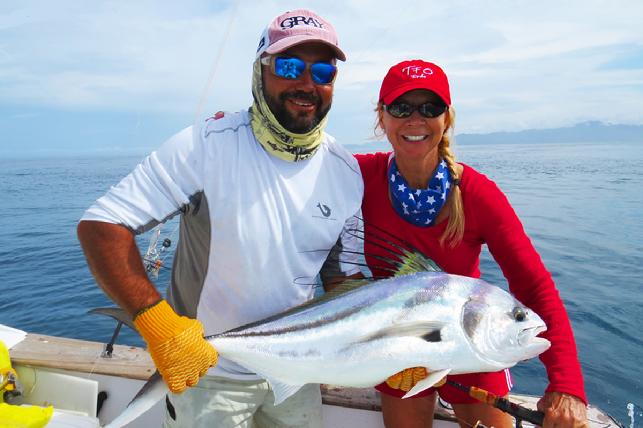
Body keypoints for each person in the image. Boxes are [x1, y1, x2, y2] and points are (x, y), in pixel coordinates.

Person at [77, 9, 363, 428]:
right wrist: (159, 325)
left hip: (298, 374)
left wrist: (398, 347)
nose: (306, 83)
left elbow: (345, 283)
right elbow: (102, 225)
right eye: (288, 66)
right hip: (207, 374)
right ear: (260, 70)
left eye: (322, 71)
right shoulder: (205, 147)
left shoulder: (345, 171)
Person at [354, 60, 588, 428]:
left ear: (447, 118)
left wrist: (567, 384)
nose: (416, 119)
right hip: (399, 344)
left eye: (430, 108)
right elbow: (295, 167)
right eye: (401, 108)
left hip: (472, 339)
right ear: (381, 118)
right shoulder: (358, 176)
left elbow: (534, 286)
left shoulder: (478, 195)